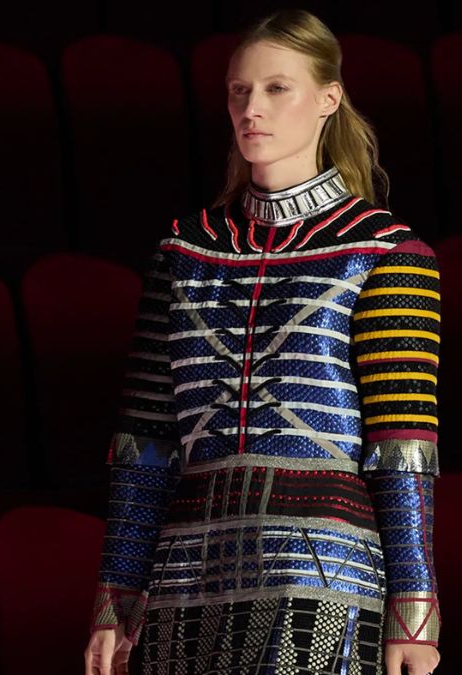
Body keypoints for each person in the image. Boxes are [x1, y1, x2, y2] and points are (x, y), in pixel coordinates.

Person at [84, 9, 442, 675]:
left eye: (277, 88)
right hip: (186, 570)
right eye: (238, 91)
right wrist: (116, 597)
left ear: (328, 99)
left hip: (323, 568)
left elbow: (403, 447)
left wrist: (414, 611)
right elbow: (146, 440)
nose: (252, 108)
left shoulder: (385, 250)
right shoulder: (183, 250)